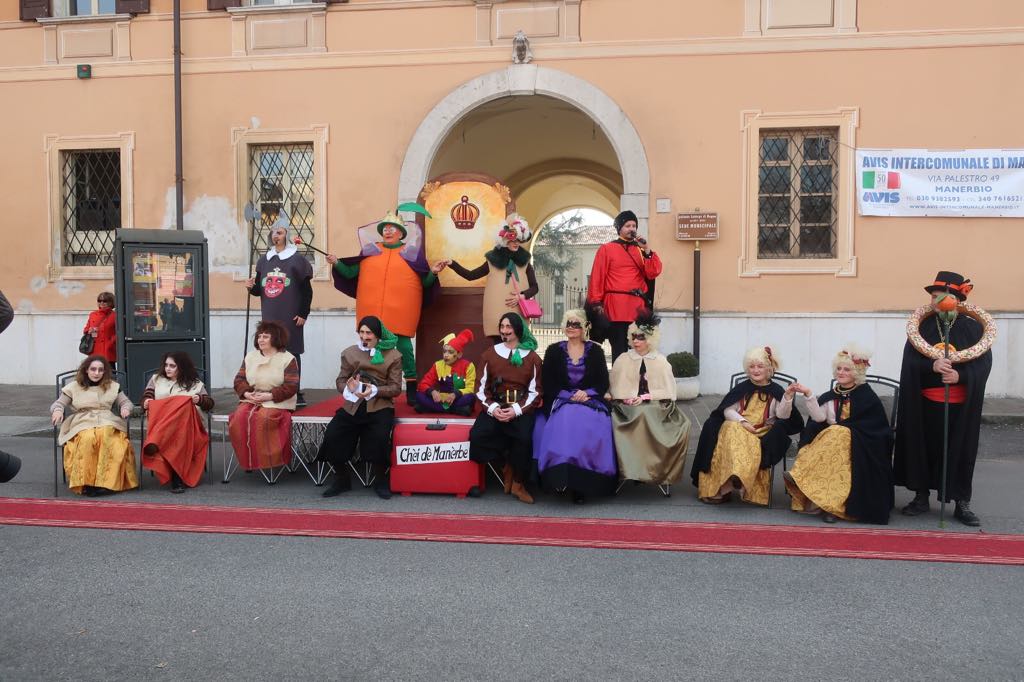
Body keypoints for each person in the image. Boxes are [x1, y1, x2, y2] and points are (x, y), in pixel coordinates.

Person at [894, 271, 993, 526]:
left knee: (960, 451)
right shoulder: (922, 328)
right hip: (927, 403)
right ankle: (921, 495)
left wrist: (960, 376)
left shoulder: (973, 328)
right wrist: (932, 367)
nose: (935, 302)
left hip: (960, 405)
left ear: (956, 299)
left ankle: (961, 502)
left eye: (940, 297)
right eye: (933, 297)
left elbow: (983, 363)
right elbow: (911, 361)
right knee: (924, 447)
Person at [329, 202, 445, 404]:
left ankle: (410, 391)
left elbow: (425, 282)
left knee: (405, 352)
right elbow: (349, 273)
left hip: (400, 313)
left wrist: (433, 272)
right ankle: (368, 385)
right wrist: (337, 262)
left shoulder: (411, 254)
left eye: (392, 228)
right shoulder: (370, 251)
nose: (388, 231)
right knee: (370, 350)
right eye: (385, 228)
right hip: (373, 314)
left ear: (401, 233)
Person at [784, 346, 894, 524]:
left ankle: (831, 505)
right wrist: (809, 395)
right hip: (832, 442)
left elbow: (875, 426)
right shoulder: (831, 395)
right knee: (834, 433)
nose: (841, 372)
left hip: (861, 442)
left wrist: (845, 431)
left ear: (857, 372)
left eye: (847, 369)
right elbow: (819, 418)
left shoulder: (867, 396)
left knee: (838, 432)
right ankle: (820, 498)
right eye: (839, 369)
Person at [691, 346, 803, 505]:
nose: (756, 370)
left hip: (761, 433)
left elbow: (783, 416)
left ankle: (732, 482)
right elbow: (728, 410)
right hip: (739, 428)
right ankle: (729, 482)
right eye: (752, 366)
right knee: (730, 428)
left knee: (735, 434)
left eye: (760, 366)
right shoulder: (742, 388)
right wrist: (743, 422)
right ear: (747, 369)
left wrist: (787, 397)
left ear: (769, 369)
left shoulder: (776, 390)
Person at [534, 309, 616, 503]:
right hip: (562, 399)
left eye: (576, 324)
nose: (571, 328)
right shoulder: (554, 350)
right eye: (568, 324)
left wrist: (587, 393)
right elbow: (549, 382)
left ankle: (581, 484)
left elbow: (603, 381)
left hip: (590, 400)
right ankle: (562, 478)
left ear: (584, 328)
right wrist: (569, 395)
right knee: (568, 416)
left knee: (586, 419)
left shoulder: (595, 351)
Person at [317, 316, 403, 500]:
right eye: (361, 332)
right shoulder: (349, 353)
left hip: (379, 405)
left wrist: (375, 390)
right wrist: (349, 387)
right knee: (333, 434)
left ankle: (380, 480)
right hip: (353, 405)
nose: (365, 336)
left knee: (379, 437)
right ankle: (342, 479)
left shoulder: (393, 356)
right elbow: (340, 380)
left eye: (369, 333)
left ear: (378, 335)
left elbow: (396, 388)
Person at [608, 312, 690, 490]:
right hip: (626, 406)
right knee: (630, 416)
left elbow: (668, 390)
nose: (636, 341)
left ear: (651, 339)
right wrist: (625, 397)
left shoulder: (660, 361)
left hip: (656, 405)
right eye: (634, 337)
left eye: (641, 337)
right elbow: (614, 386)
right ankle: (630, 469)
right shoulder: (623, 359)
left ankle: (650, 469)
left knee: (646, 414)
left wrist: (646, 397)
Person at [470, 312, 543, 504]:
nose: (504, 331)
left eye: (509, 327)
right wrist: (493, 408)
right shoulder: (489, 354)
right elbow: (479, 388)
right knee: (478, 436)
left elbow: (536, 391)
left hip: (521, 408)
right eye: (502, 327)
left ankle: (519, 483)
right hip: (496, 406)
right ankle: (505, 465)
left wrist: (516, 410)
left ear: (518, 329)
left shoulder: (533, 358)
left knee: (524, 439)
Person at [246, 222, 313, 407]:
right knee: (270, 350)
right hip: (270, 314)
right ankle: (271, 387)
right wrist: (251, 287)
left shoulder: (297, 260)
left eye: (280, 232)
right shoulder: (264, 260)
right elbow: (261, 289)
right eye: (273, 232)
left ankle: (294, 390)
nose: (276, 236)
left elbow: (307, 291)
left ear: (287, 235)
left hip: (290, 315)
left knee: (291, 350)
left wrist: (303, 313)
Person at [50, 355, 137, 496]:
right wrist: (58, 411)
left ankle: (108, 483)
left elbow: (125, 402)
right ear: (86, 370)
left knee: (112, 440)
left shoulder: (113, 386)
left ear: (104, 372)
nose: (97, 373)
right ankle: (88, 483)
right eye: (93, 369)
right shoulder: (74, 387)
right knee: (88, 438)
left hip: (107, 420)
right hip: (82, 421)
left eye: (100, 370)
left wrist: (125, 408)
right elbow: (58, 404)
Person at [444, 214, 539, 339]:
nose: (516, 243)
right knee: (499, 348)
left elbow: (534, 287)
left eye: (518, 240)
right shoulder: (492, 260)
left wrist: (521, 296)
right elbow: (471, 275)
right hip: (496, 313)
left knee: (517, 350)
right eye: (512, 240)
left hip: (518, 313)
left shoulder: (524, 261)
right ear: (504, 241)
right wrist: (453, 264)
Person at [586, 210, 663, 361]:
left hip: (636, 308)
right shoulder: (607, 249)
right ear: (620, 228)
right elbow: (597, 276)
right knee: (619, 350)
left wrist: (647, 250)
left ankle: (637, 382)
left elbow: (653, 272)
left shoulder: (641, 250)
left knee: (639, 349)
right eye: (628, 225)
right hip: (616, 307)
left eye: (634, 225)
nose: (632, 228)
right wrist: (596, 303)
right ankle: (619, 382)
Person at [228, 321, 299, 474]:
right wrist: (246, 393)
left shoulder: (288, 358)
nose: (261, 339)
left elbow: (291, 386)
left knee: (264, 418)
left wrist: (269, 395)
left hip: (277, 400)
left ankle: (269, 461)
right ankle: (248, 460)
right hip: (252, 397)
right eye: (259, 336)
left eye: (265, 336)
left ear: (276, 338)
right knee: (238, 418)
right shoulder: (250, 357)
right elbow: (239, 380)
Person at [141, 351, 215, 493]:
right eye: (166, 365)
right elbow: (146, 397)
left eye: (172, 366)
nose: (167, 368)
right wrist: (146, 402)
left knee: (182, 410)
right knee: (175, 427)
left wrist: (199, 399)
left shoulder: (196, 384)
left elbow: (210, 404)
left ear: (181, 367)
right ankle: (176, 477)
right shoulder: (156, 379)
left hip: (188, 428)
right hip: (163, 423)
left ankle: (157, 445)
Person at [414, 329, 477, 416]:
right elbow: (423, 384)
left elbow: (470, 389)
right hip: (441, 399)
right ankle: (455, 410)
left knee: (470, 397)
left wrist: (455, 394)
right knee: (418, 395)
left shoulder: (469, 366)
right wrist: (432, 392)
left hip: (457, 399)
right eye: (444, 351)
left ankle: (432, 408)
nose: (446, 355)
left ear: (459, 354)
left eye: (450, 352)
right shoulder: (438, 365)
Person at [83, 291, 117, 368]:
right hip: (94, 349)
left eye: (105, 301)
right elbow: (85, 329)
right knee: (95, 372)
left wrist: (111, 341)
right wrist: (89, 331)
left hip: (108, 350)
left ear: (111, 302)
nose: (102, 303)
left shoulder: (115, 315)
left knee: (110, 374)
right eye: (99, 301)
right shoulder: (93, 314)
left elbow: (119, 331)